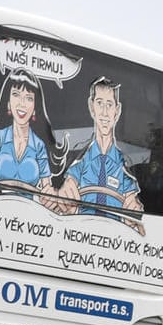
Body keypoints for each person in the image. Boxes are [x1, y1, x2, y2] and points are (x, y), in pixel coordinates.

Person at [0, 71, 69, 211]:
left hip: (29, 215)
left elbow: (47, 188)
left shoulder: (39, 146)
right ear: (8, 102)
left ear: (35, 107)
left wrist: (49, 196)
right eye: (16, 95)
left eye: (29, 98)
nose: (22, 104)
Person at [56, 76, 144, 219]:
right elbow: (69, 183)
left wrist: (134, 206)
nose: (104, 112)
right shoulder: (80, 157)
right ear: (91, 107)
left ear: (117, 110)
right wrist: (66, 192)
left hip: (113, 237)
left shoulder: (124, 165)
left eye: (109, 104)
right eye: (99, 103)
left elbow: (132, 200)